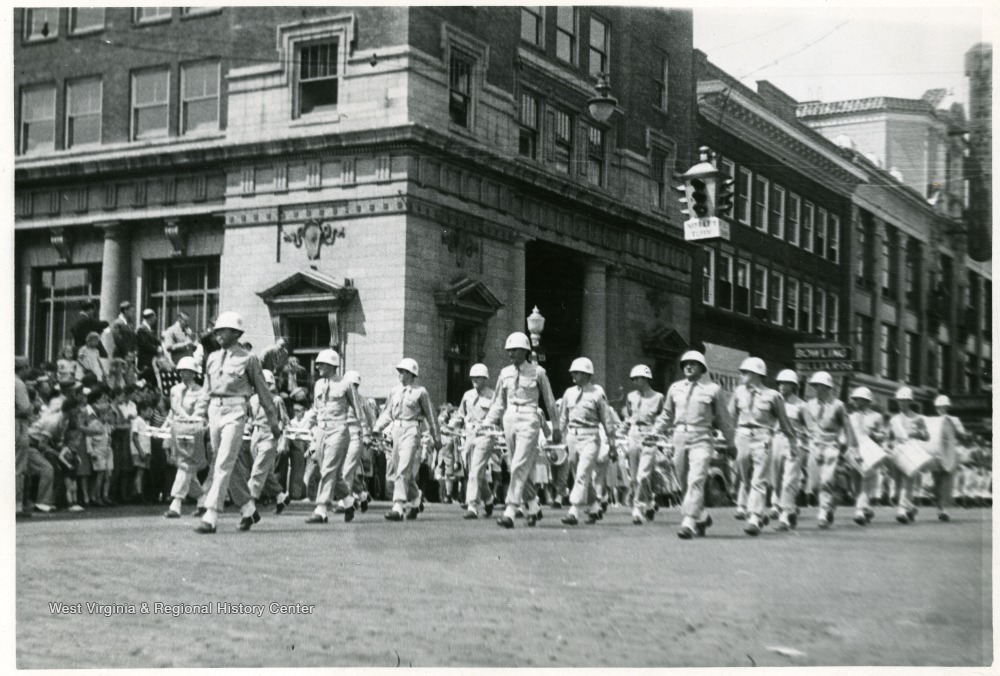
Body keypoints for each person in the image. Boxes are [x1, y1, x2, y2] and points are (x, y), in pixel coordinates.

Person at [191, 312, 281, 534]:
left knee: (222, 462)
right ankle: (249, 509)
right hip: (214, 411)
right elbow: (206, 390)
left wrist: (273, 421)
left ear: (236, 333)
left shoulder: (249, 359)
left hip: (236, 411)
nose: (218, 334)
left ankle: (211, 513)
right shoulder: (211, 358)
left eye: (223, 331)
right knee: (226, 464)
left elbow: (263, 392)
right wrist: (197, 414)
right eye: (217, 331)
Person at [651, 350, 735, 540]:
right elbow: (666, 415)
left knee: (696, 479)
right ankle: (702, 516)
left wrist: (731, 442)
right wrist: (654, 432)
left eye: (693, 364)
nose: (688, 366)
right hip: (679, 436)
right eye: (685, 364)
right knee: (682, 481)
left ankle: (688, 522)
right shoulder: (675, 388)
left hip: (702, 438)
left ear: (702, 368)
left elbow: (724, 419)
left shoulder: (713, 389)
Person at [481, 332, 561, 529]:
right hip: (509, 419)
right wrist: (487, 423)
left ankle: (510, 509)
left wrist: (556, 426)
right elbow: (498, 402)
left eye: (514, 350)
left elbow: (550, 401)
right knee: (515, 465)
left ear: (525, 351)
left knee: (519, 464)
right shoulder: (505, 373)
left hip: (529, 419)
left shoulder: (538, 372)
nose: (510, 355)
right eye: (509, 351)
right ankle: (533, 506)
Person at [727, 358, 798, 536]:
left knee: (759, 479)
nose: (742, 375)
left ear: (757, 374)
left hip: (763, 437)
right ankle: (757, 511)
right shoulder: (738, 393)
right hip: (742, 436)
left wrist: (792, 443)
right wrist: (727, 440)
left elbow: (784, 422)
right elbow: (729, 418)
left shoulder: (773, 396)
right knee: (744, 477)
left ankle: (755, 517)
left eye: (746, 372)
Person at [303, 350, 370, 524]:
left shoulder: (346, 384)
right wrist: (304, 424)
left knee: (328, 469)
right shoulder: (318, 384)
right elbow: (316, 408)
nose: (317, 367)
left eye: (321, 364)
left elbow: (357, 408)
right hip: (321, 430)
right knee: (328, 470)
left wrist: (366, 432)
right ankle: (349, 502)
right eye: (317, 364)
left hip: (339, 430)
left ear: (332, 365)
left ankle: (321, 509)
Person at [373, 358, 440, 522]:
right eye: (399, 372)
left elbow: (430, 416)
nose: (400, 375)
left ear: (411, 374)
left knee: (403, 468)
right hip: (396, 430)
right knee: (400, 470)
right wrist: (377, 428)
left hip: (412, 430)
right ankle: (416, 500)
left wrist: (436, 436)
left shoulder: (421, 392)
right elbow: (388, 412)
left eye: (403, 372)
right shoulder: (394, 391)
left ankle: (398, 506)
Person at [557, 358, 618, 526]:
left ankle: (573, 510)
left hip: (591, 437)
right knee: (578, 474)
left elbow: (607, 421)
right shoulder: (568, 393)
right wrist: (557, 434)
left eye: (576, 372)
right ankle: (594, 506)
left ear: (586, 374)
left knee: (583, 473)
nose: (573, 375)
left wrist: (612, 445)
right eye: (572, 372)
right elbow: (563, 417)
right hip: (572, 437)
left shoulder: (597, 394)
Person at [806, 371, 859, 529]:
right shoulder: (809, 405)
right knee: (814, 485)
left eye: (820, 386)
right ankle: (831, 504)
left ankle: (823, 512)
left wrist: (852, 447)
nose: (816, 389)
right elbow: (804, 424)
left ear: (828, 387)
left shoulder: (838, 405)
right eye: (815, 386)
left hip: (831, 446)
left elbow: (847, 427)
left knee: (827, 481)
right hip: (815, 446)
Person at [163, 357, 211, 518]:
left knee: (186, 466)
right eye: (181, 371)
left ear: (193, 373)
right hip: (177, 430)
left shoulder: (201, 392)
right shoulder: (175, 390)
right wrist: (166, 426)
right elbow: (172, 411)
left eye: (186, 371)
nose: (182, 373)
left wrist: (194, 423)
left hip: (194, 432)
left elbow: (200, 413)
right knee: (185, 467)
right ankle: (203, 500)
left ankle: (176, 503)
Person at [619, 364, 666, 525]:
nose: (634, 381)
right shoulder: (631, 396)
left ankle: (638, 508)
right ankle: (651, 502)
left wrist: (661, 435)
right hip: (633, 434)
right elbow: (629, 417)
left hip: (650, 435)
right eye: (633, 379)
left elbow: (664, 418)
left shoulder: (659, 397)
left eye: (638, 378)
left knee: (643, 474)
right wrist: (620, 432)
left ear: (647, 379)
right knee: (634, 477)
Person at [769, 370, 814, 530]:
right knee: (776, 480)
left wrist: (808, 447)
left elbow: (811, 428)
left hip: (794, 443)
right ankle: (791, 509)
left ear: (793, 386)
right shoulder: (774, 402)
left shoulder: (801, 406)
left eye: (786, 383)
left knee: (790, 480)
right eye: (780, 383)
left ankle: (785, 516)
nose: (782, 386)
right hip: (776, 441)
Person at [242, 370, 290, 521]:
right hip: (256, 436)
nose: (265, 387)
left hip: (270, 435)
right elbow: (250, 418)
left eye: (268, 384)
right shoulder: (253, 399)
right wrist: (246, 428)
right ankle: (281, 496)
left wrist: (283, 441)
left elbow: (285, 422)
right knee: (265, 471)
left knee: (257, 471)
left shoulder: (276, 400)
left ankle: (249, 502)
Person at [450, 364, 496, 520]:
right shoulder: (467, 395)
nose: (475, 380)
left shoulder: (493, 395)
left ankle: (472, 505)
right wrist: (451, 425)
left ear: (485, 379)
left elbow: (499, 416)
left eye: (478, 378)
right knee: (474, 472)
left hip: (485, 435)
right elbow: (460, 415)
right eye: (473, 378)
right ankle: (489, 499)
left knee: (475, 470)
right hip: (469, 436)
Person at [887, 386, 930, 524]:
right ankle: (911, 507)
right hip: (898, 451)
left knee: (908, 480)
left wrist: (916, 433)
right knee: (898, 482)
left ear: (910, 401)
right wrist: (889, 443)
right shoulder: (894, 420)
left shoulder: (918, 418)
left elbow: (926, 435)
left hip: (912, 450)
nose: (901, 403)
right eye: (900, 400)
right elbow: (889, 436)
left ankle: (902, 510)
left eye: (905, 400)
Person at [848, 386, 887, 526]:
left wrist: (874, 435)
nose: (857, 402)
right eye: (856, 400)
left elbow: (884, 434)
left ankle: (859, 511)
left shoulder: (877, 417)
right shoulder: (850, 417)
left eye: (861, 400)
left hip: (870, 453)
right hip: (854, 452)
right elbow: (845, 435)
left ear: (867, 401)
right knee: (855, 485)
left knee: (866, 482)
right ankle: (867, 509)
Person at [81, 387, 114, 507]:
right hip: (97, 448)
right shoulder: (89, 416)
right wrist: (91, 450)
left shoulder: (105, 422)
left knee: (108, 473)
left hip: (107, 447)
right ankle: (95, 496)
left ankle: (104, 495)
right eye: (102, 399)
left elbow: (109, 432)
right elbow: (89, 435)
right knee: (99, 474)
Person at [15, 356, 35, 519]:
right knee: (17, 466)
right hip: (17, 425)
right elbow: (25, 408)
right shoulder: (19, 384)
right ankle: (16, 505)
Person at [131, 400, 154, 503]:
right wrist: (140, 451)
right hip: (139, 451)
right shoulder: (137, 420)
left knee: (142, 472)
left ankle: (139, 493)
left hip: (145, 450)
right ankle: (138, 494)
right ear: (142, 411)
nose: (150, 413)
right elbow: (135, 437)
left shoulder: (146, 422)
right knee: (139, 471)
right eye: (148, 411)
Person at [136, 309, 160, 382]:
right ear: (150, 317)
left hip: (151, 363)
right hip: (145, 363)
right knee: (146, 383)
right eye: (154, 317)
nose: (155, 319)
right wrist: (157, 350)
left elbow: (155, 341)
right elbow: (145, 344)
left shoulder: (149, 329)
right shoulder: (141, 329)